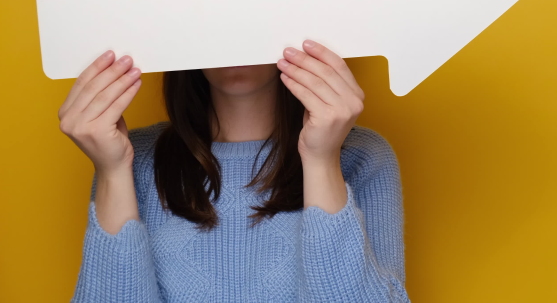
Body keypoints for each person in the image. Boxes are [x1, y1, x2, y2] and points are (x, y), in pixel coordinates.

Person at [58, 39, 410, 302]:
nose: (234, 37)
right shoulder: (129, 156)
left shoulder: (363, 157)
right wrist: (113, 172)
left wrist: (321, 161)